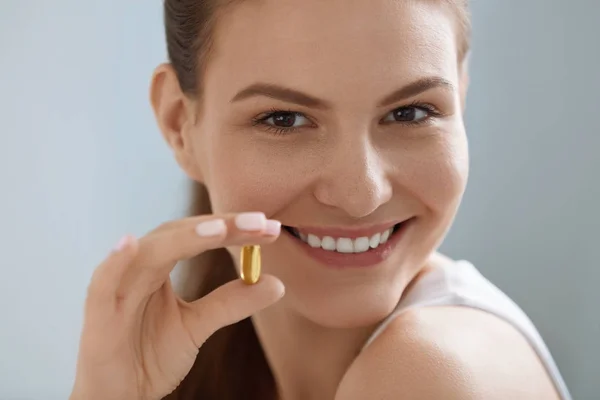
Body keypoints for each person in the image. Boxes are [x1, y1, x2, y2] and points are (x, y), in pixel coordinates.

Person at [69, 0, 572, 399]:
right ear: (181, 125)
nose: (361, 194)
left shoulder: (428, 375)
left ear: (460, 98)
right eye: (284, 119)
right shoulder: (216, 356)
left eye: (411, 113)